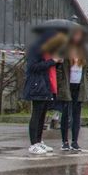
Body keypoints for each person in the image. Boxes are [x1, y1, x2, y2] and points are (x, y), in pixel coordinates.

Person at [22, 26, 68, 155]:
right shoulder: (35, 48)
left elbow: (51, 67)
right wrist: (52, 61)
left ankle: (39, 140)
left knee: (43, 115)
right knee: (36, 115)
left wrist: (57, 62)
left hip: (47, 85)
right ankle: (33, 143)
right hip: (37, 86)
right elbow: (33, 67)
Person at [57, 24, 88, 152]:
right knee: (66, 113)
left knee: (77, 114)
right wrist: (62, 84)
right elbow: (59, 69)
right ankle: (64, 141)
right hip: (67, 85)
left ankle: (75, 141)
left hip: (79, 86)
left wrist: (87, 82)